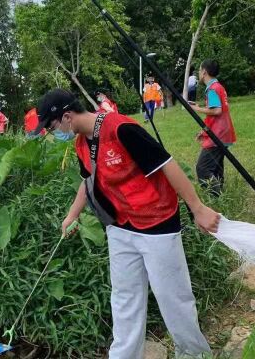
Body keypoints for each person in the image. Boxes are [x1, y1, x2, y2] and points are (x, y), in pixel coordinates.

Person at [32, 88, 220, 359]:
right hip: (120, 226)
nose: (52, 133)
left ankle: (194, 354)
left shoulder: (120, 129)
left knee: (173, 298)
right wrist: (71, 216)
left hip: (157, 224)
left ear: (67, 117)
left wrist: (198, 207)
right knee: (124, 300)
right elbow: (88, 181)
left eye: (51, 127)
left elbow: (167, 164)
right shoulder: (82, 143)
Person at [190, 59, 237, 197]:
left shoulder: (212, 89)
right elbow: (214, 116)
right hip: (222, 133)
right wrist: (204, 131)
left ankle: (217, 197)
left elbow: (216, 111)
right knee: (216, 167)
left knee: (203, 168)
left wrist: (196, 108)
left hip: (218, 135)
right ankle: (221, 198)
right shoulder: (218, 86)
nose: (199, 73)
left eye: (199, 70)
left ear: (204, 71)